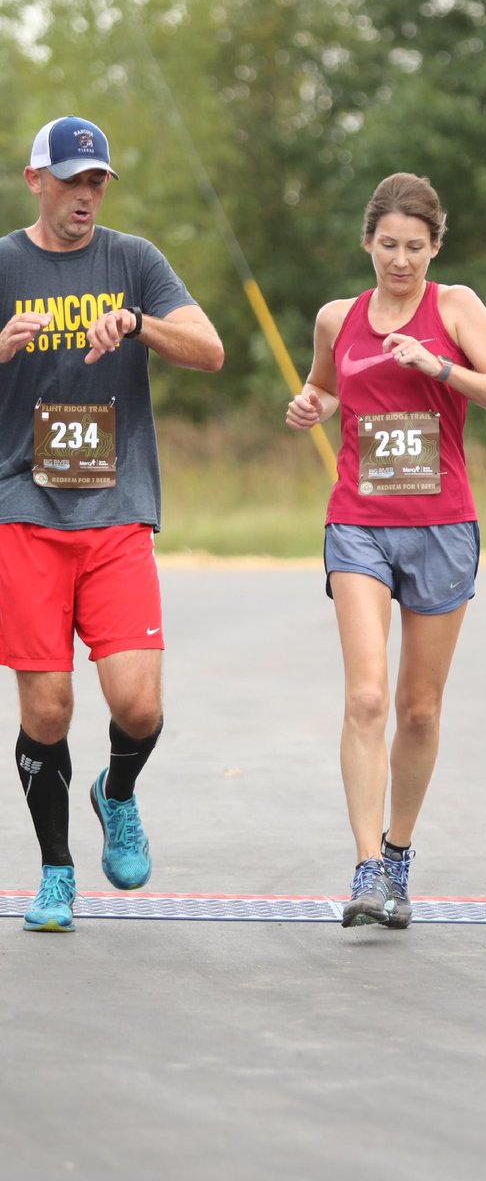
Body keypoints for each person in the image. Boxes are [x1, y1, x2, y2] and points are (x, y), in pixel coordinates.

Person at [0, 116, 224, 931]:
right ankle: (56, 872)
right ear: (36, 181)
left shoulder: (133, 260)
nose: (87, 194)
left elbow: (209, 349)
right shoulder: (5, 264)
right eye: (72, 179)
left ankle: (116, 791)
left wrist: (139, 324)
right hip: (22, 507)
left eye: (97, 181)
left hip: (116, 504)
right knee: (49, 708)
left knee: (136, 707)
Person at [286, 172, 486, 929]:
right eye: (387, 245)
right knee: (364, 696)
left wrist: (441, 367)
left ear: (434, 246)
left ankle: (397, 853)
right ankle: (363, 870)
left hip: (441, 525)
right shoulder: (337, 316)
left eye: (414, 248)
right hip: (356, 520)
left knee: (417, 710)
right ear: (367, 242)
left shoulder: (455, 307)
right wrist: (307, 404)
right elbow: (325, 388)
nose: (399, 261)